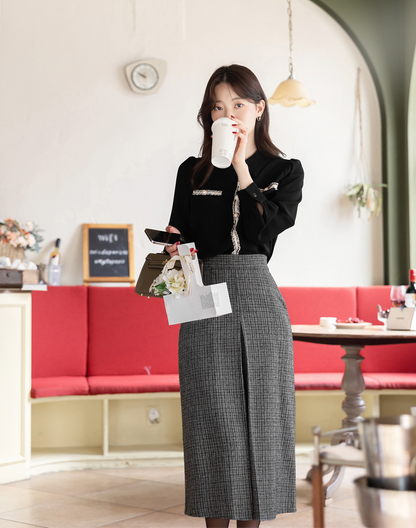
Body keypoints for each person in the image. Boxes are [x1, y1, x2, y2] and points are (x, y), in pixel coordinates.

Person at [165, 64, 304, 528]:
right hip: (203, 293)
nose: (228, 115)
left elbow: (266, 227)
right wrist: (170, 249)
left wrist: (242, 166)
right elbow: (179, 230)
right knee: (211, 419)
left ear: (260, 109)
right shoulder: (191, 170)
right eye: (218, 107)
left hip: (257, 295)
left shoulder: (285, 170)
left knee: (261, 419)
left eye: (239, 105)